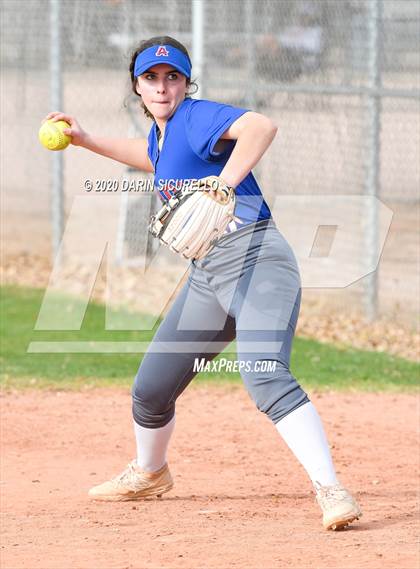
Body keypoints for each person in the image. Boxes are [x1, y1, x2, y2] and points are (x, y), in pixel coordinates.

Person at [44, 36, 362, 531]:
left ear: (186, 83)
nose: (162, 86)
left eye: (172, 77)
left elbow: (261, 126)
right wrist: (86, 140)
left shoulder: (195, 116)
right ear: (138, 86)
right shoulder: (164, 135)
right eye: (151, 78)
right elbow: (149, 156)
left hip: (255, 256)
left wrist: (224, 181)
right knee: (150, 390)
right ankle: (150, 472)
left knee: (264, 373)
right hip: (207, 275)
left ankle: (331, 489)